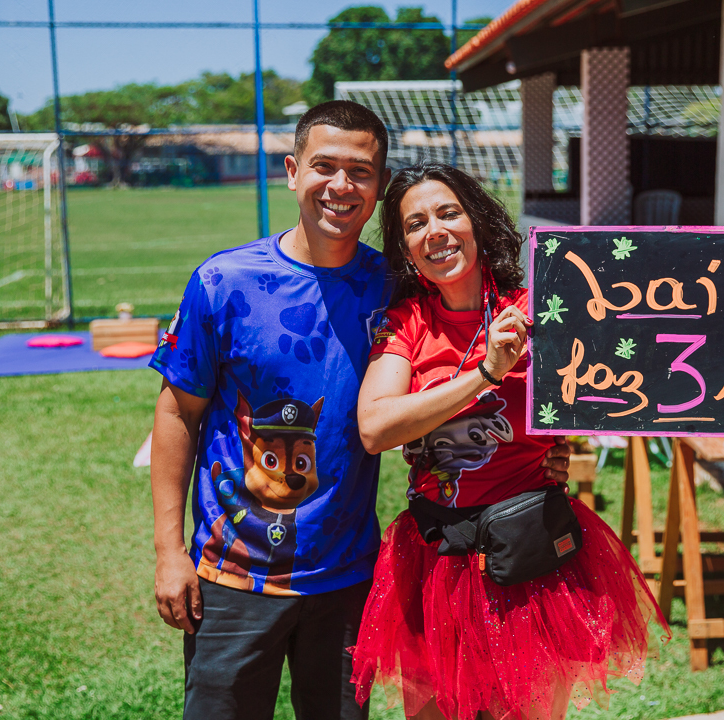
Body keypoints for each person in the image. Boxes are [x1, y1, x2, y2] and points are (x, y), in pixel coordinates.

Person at [148, 102, 572, 720]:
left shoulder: (397, 284)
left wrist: (548, 449)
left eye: (361, 171)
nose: (341, 185)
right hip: (235, 576)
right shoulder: (223, 282)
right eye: (324, 166)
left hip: (349, 579)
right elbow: (177, 414)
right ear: (292, 171)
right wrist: (168, 553)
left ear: (379, 186)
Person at [350, 163, 669, 720]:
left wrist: (564, 442)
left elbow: (640, 368)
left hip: (531, 556)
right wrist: (485, 374)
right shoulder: (405, 323)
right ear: (405, 249)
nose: (435, 232)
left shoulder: (540, 310)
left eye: (449, 213)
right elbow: (375, 428)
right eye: (416, 224)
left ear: (477, 221)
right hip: (438, 557)